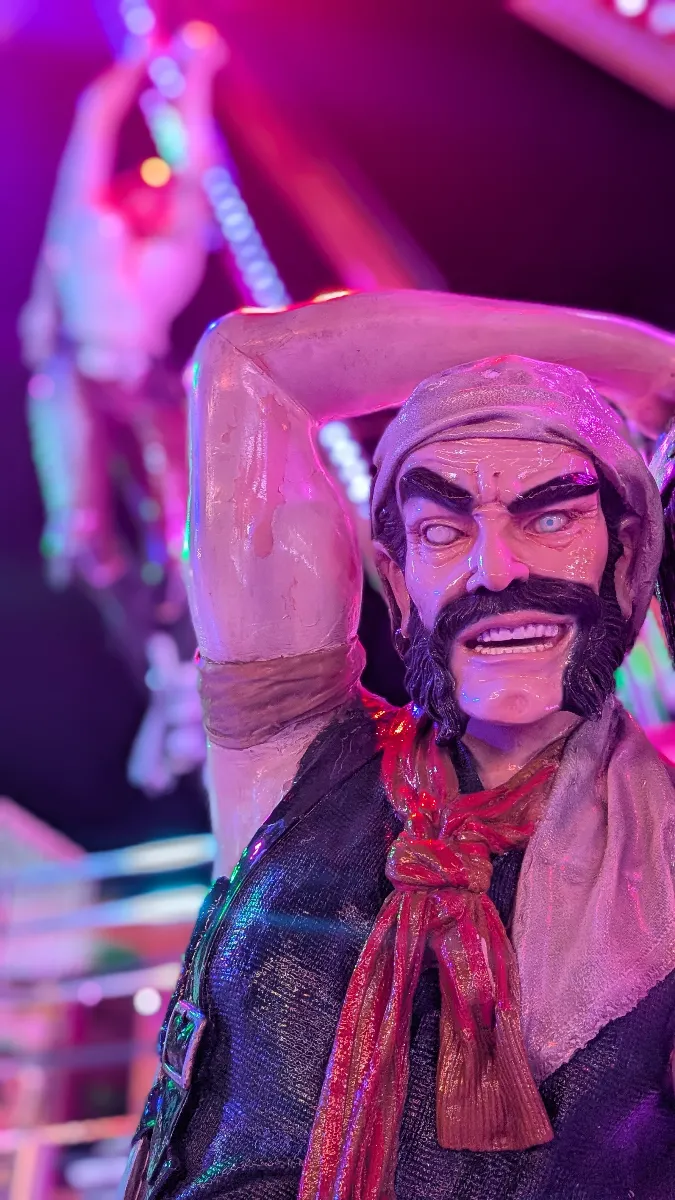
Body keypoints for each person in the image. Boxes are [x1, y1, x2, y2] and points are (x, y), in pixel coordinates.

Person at [123, 290, 675, 1200]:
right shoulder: (295, 753)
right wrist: (649, 366)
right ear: (396, 575)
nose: (495, 569)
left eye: (549, 519)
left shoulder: (659, 844)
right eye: (441, 530)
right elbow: (249, 368)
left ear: (625, 557)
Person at [19, 26, 225, 667]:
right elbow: (94, 121)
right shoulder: (88, 226)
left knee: (184, 531)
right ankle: (136, 634)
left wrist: (196, 77)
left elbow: (194, 165)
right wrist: (139, 59)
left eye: (158, 188)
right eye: (139, 183)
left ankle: (184, 646)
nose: (148, 193)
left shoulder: (176, 247)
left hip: (144, 379)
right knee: (78, 534)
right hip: (76, 373)